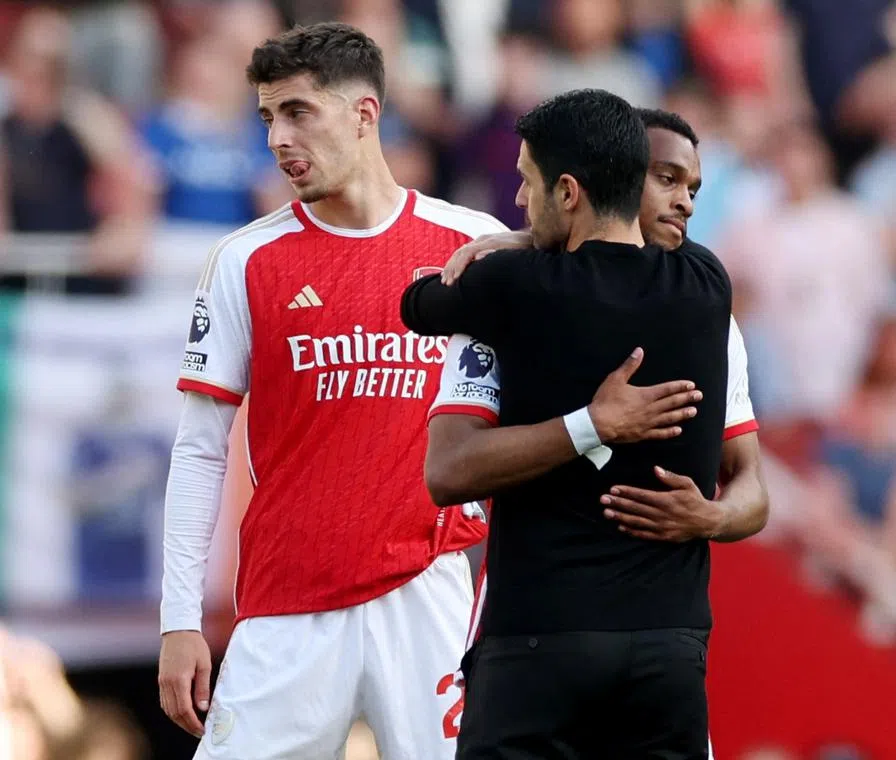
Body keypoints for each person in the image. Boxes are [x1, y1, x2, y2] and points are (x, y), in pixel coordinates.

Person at [157, 25, 701, 760]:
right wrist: (179, 618)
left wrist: (523, 244)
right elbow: (199, 449)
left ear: (365, 113)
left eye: (298, 112)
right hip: (285, 606)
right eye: (268, 118)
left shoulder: (470, 243)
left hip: (429, 594)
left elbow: (602, 264)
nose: (279, 138)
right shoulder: (244, 259)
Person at [402, 89, 767, 759]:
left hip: (539, 638)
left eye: (527, 183)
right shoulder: (708, 287)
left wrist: (591, 426)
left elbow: (420, 308)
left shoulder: (511, 291)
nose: (685, 203)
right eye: (668, 180)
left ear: (569, 190)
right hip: (669, 650)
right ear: (631, 181)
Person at [434, 106, 765, 550]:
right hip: (534, 588)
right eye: (666, 179)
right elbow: (449, 471)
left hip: (664, 593)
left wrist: (714, 516)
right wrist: (589, 425)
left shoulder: (708, 311)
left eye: (691, 189)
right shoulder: (512, 299)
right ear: (616, 177)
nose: (685, 203)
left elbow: (751, 483)